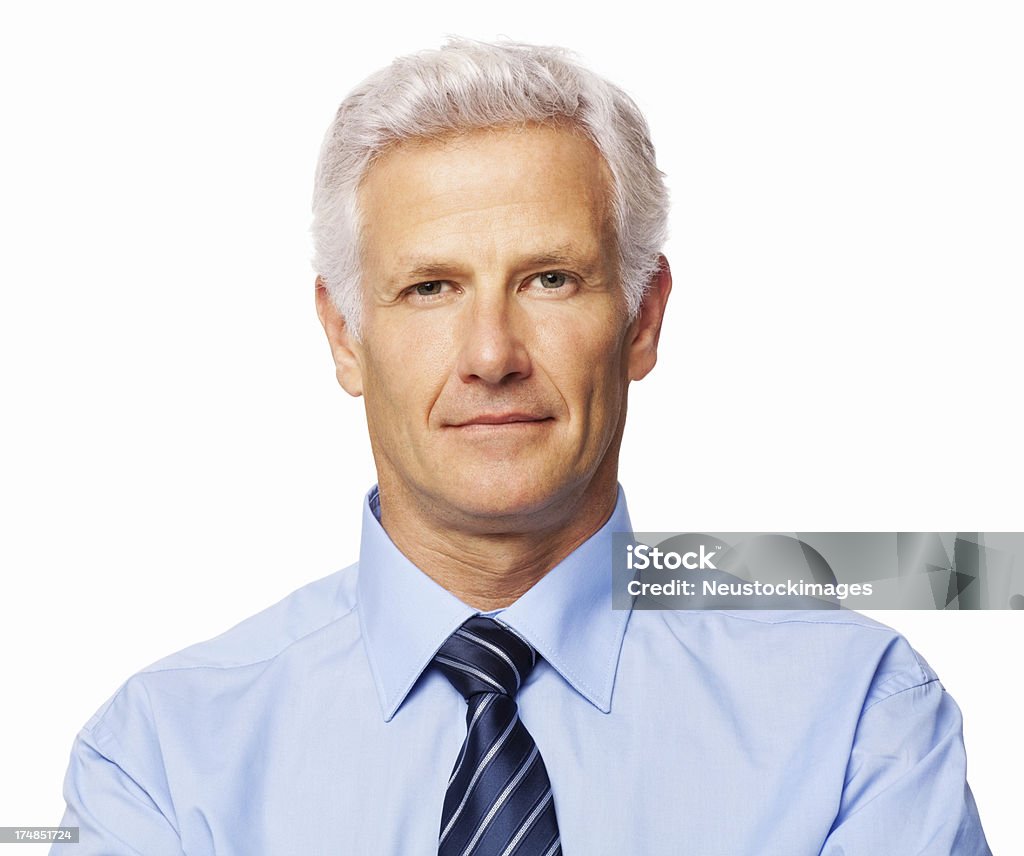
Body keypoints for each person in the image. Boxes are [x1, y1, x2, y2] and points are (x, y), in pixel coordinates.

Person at [52, 39, 991, 855]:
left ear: (643, 319)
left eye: (549, 278)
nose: (492, 355)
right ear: (344, 335)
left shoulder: (857, 721)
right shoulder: (163, 760)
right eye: (430, 288)